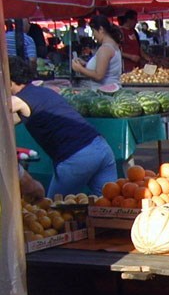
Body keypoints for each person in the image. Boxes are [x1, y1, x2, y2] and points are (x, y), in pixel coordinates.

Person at [9, 56, 117, 197]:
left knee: (53, 207)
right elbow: (10, 121)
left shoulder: (18, 100)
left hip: (76, 156)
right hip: (101, 148)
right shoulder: (43, 92)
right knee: (108, 203)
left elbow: (7, 107)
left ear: (9, 82)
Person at [71, 15, 122, 89]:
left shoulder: (105, 49)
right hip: (112, 88)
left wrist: (80, 69)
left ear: (101, 29)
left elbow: (99, 76)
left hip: (104, 91)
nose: (93, 35)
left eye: (93, 31)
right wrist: (86, 64)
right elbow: (104, 67)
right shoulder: (113, 45)